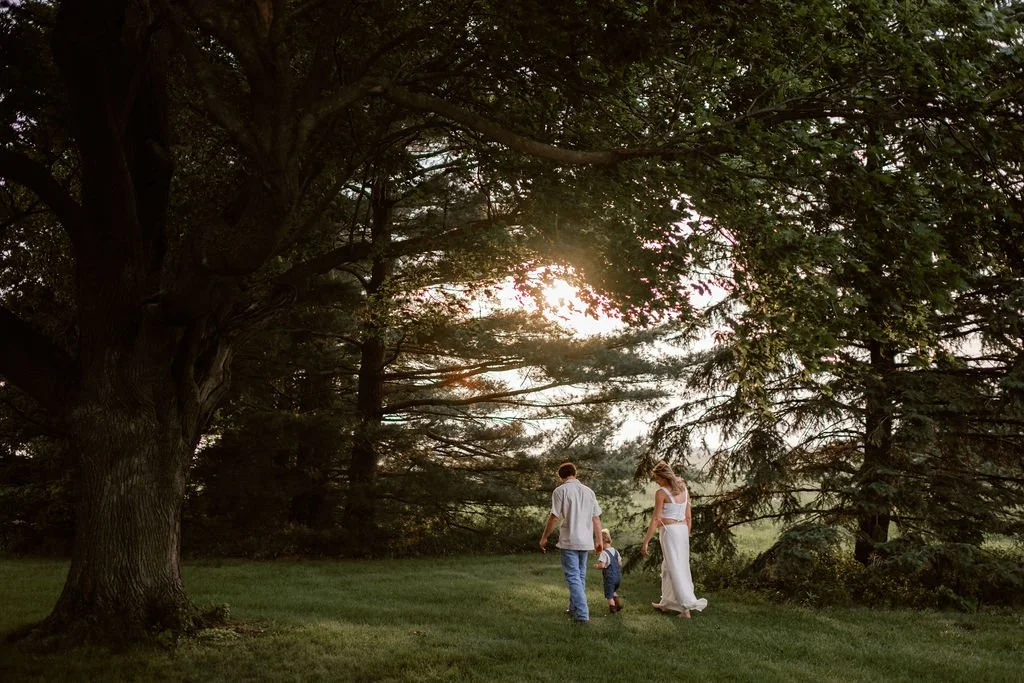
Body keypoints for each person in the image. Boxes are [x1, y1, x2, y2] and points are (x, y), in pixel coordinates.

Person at [640, 460, 708, 618]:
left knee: (675, 568)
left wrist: (646, 542)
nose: (656, 481)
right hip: (682, 531)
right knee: (669, 566)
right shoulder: (683, 489)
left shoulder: (661, 493)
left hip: (670, 532)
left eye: (657, 478)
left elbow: (656, 519)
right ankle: (666, 603)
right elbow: (688, 516)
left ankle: (685, 610)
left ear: (663, 477)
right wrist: (686, 534)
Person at [539, 462, 603, 624]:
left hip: (569, 539)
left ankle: (582, 615)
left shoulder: (560, 491)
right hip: (586, 540)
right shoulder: (589, 492)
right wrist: (599, 540)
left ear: (560, 476)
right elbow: (596, 518)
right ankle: (574, 608)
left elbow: (554, 516)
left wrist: (544, 537)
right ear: (575, 473)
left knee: (573, 576)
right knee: (580, 575)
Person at [594, 528, 623, 613]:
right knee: (613, 591)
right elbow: (620, 563)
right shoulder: (616, 551)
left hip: (609, 578)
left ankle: (613, 608)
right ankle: (618, 604)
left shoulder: (604, 553)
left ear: (602, 541)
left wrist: (597, 566)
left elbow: (602, 565)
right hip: (617, 577)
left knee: (609, 595)